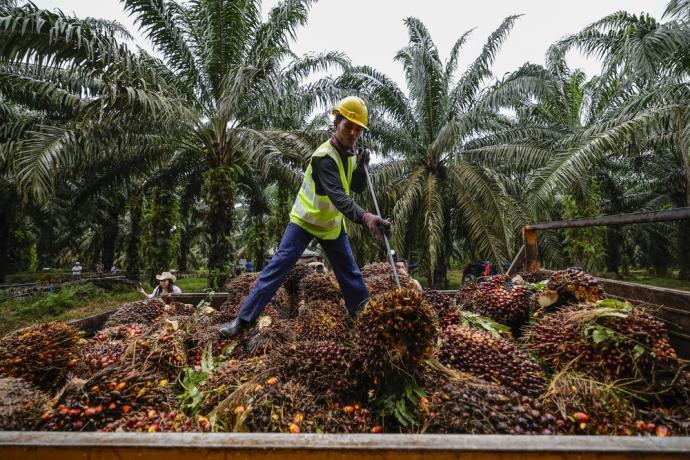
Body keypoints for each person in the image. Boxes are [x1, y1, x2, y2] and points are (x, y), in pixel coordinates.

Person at [219, 96, 391, 339]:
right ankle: (242, 320)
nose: (353, 132)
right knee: (278, 267)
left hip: (330, 225)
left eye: (358, 129)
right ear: (336, 124)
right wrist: (366, 218)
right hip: (305, 221)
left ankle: (363, 322)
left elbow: (357, 187)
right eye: (347, 126)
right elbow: (340, 198)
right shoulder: (324, 157)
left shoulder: (351, 154)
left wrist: (362, 167)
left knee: (350, 273)